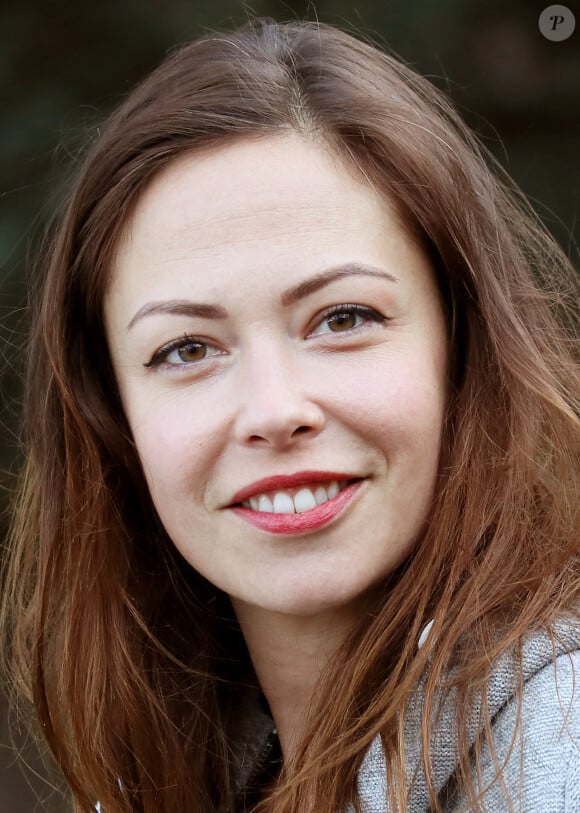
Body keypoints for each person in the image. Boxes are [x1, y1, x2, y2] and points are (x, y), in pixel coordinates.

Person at [1, 17, 579, 813]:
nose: (273, 411)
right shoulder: (160, 770)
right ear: (114, 417)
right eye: (186, 349)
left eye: (343, 318)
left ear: (464, 347)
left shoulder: (561, 748)